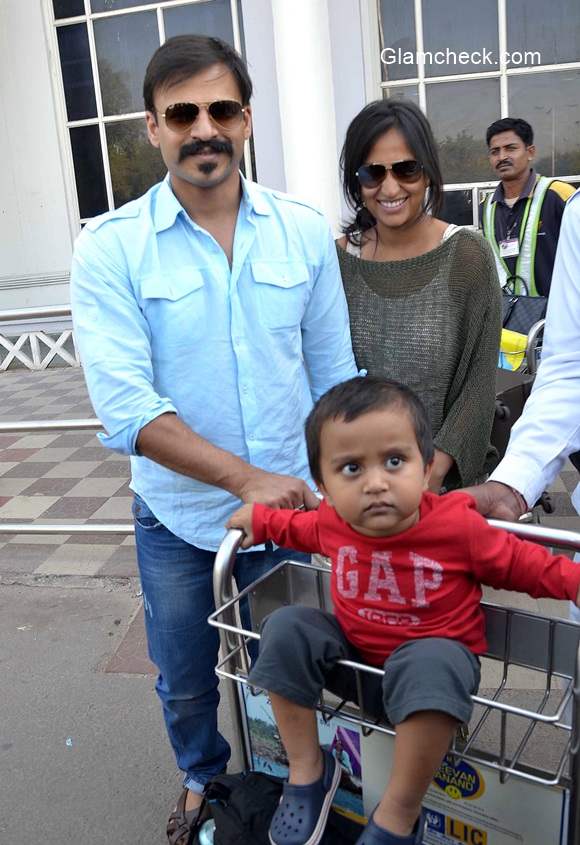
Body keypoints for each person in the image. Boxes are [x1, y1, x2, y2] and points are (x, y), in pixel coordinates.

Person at [70, 34, 357, 844]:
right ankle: (202, 777)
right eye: (183, 113)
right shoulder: (109, 247)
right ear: (152, 128)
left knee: (297, 666)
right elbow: (126, 407)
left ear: (247, 119)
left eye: (220, 109)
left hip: (292, 510)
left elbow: (336, 373)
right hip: (179, 517)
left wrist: (357, 483)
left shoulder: (302, 231)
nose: (205, 128)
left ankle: (299, 783)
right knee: (188, 677)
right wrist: (242, 480)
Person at [228, 375, 580, 845]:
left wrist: (574, 582)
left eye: (395, 461)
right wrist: (260, 519)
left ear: (426, 465)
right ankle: (308, 770)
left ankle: (399, 812)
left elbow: (525, 565)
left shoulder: (457, 527)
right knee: (285, 625)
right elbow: (298, 526)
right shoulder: (334, 522)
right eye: (351, 469)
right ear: (323, 484)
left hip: (430, 683)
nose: (376, 483)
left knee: (434, 659)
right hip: (356, 665)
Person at [336, 99, 501, 493]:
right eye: (373, 172)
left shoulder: (466, 255)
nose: (390, 188)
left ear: (427, 172)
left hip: (438, 492)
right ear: (356, 180)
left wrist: (428, 475)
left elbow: (478, 385)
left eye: (406, 169)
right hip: (358, 491)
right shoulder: (338, 261)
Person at [466, 190, 580, 618]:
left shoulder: (554, 197)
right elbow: (571, 369)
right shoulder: (578, 212)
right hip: (523, 315)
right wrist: (513, 483)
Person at [482, 117, 575, 297]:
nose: (502, 157)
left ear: (530, 152)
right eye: (495, 151)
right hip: (512, 318)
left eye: (511, 148)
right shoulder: (487, 206)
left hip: (558, 318)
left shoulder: (558, 195)